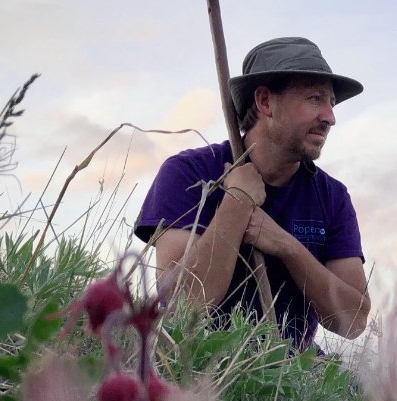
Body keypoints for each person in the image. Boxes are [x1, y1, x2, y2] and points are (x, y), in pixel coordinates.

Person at [135, 37, 370, 349]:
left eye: (331, 102)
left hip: (294, 372)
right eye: (315, 99)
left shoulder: (332, 197)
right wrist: (237, 203)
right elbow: (183, 307)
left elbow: (353, 321)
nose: (330, 117)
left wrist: (287, 247)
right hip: (197, 361)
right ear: (264, 102)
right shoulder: (189, 173)